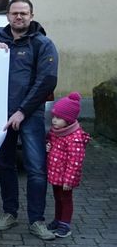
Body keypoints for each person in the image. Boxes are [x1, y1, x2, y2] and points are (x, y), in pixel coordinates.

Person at [0, 0, 59, 240]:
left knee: (36, 168)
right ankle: (10, 213)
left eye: (23, 13)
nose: (19, 17)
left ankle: (36, 220)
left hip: (30, 115)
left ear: (31, 15)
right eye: (15, 13)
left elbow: (46, 81)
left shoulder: (43, 44)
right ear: (8, 16)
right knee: (5, 165)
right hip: (1, 115)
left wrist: (22, 111)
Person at [46, 92, 90, 238]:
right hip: (56, 174)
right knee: (57, 198)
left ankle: (65, 224)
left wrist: (69, 180)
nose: (54, 120)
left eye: (58, 118)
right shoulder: (57, 132)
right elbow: (52, 146)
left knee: (65, 199)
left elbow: (75, 161)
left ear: (69, 120)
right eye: (54, 116)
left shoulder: (74, 138)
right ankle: (57, 220)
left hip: (66, 177)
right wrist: (48, 146)